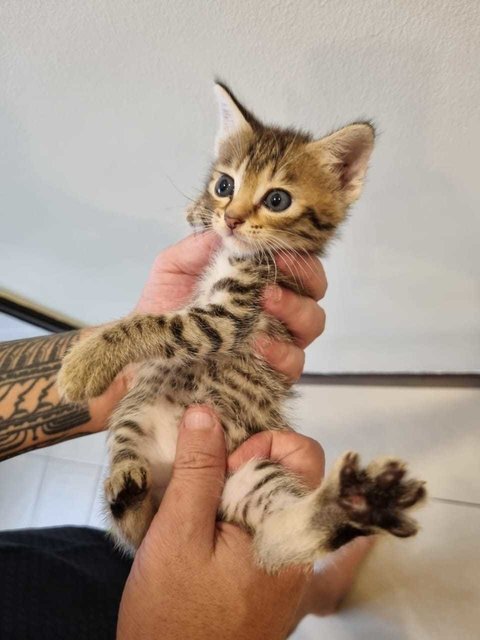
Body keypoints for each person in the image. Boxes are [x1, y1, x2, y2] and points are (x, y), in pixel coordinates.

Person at [0, 233, 372, 639]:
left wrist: (127, 365)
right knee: (237, 556)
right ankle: (314, 546)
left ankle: (311, 567)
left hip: (29, 578)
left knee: (127, 554)